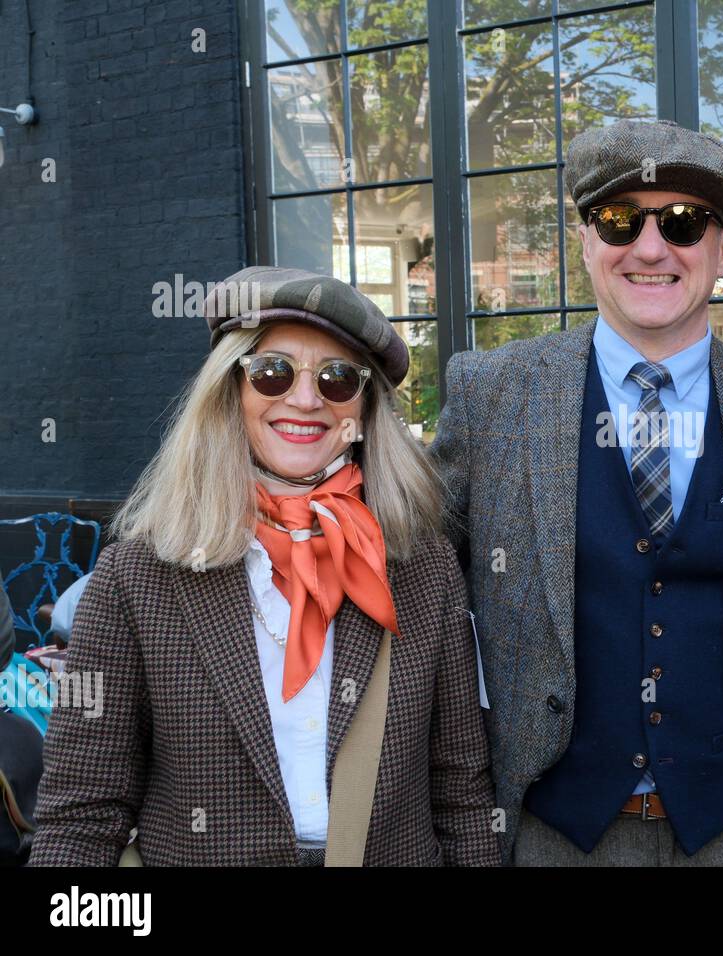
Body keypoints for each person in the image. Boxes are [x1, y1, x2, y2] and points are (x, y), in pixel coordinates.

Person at [432, 119, 723, 865]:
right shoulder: (492, 393)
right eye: (619, 220)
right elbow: (418, 584)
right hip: (551, 829)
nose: (650, 248)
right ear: (585, 240)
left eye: (684, 222)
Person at [30, 267, 499, 866]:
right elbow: (81, 815)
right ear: (232, 389)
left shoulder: (421, 566)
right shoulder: (134, 579)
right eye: (273, 371)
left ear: (364, 408)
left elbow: (461, 793)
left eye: (336, 380)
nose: (304, 399)